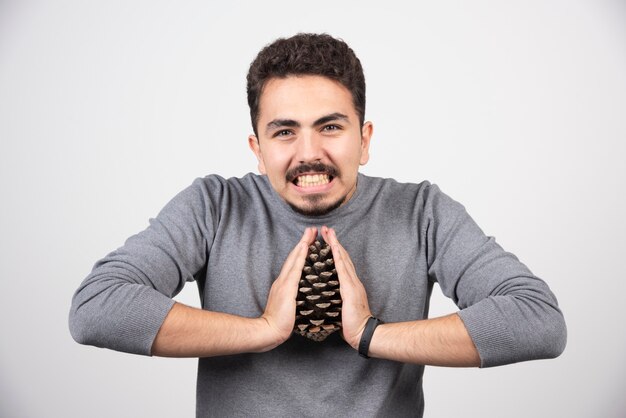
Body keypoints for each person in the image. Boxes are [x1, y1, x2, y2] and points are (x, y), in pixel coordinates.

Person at [69, 33, 567, 417]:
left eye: (330, 127)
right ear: (257, 150)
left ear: (364, 139)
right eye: (284, 132)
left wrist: (371, 336)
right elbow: (97, 307)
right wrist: (261, 330)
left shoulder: (422, 212)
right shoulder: (214, 205)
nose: (309, 153)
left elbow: (537, 322)